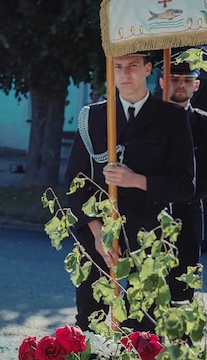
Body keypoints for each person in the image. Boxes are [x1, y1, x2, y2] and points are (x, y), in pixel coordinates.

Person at [65, 51, 195, 332]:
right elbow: (74, 185)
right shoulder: (94, 117)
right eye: (118, 67)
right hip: (98, 235)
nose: (125, 74)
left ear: (148, 68)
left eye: (133, 66)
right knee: (91, 319)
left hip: (149, 234)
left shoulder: (170, 118)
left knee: (145, 325)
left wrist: (136, 179)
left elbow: (184, 185)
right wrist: (99, 235)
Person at [159, 55, 207, 303]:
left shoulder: (203, 123)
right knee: (147, 291)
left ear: (196, 85)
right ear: (161, 82)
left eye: (187, 80)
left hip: (189, 215)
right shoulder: (146, 120)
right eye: (174, 78)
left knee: (183, 293)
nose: (180, 84)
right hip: (151, 216)